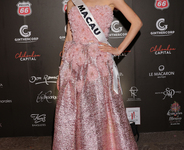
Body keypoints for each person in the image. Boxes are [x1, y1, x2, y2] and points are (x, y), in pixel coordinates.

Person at [53, 0, 142, 149]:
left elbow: (137, 22)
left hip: (98, 63)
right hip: (75, 63)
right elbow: (69, 36)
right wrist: (62, 68)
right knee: (75, 111)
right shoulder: (72, 2)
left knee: (101, 109)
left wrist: (119, 49)